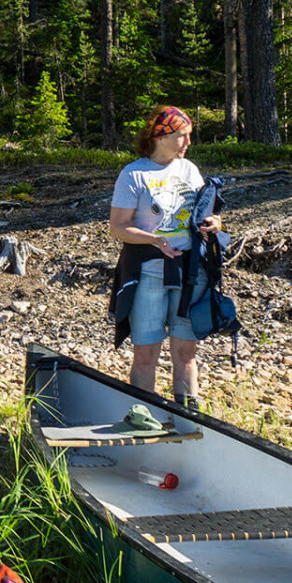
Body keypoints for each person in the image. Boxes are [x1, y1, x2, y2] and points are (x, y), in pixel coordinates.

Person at [108, 106, 224, 409]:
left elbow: (206, 214)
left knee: (186, 351)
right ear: (161, 136)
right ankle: (143, 415)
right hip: (149, 271)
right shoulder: (134, 174)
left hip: (189, 271)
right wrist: (155, 240)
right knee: (146, 353)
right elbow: (118, 228)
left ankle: (189, 413)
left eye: (189, 137)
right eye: (181, 137)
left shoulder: (189, 170)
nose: (187, 143)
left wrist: (215, 224)